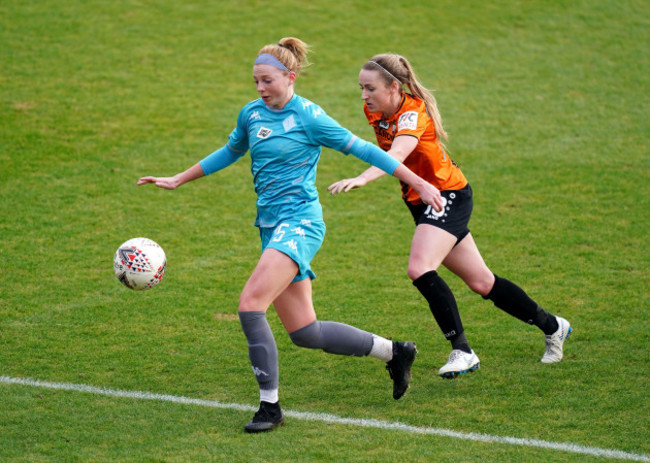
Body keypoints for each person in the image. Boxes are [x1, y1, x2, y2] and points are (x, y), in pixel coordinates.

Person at [138, 39, 444, 433]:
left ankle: (270, 407)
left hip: (300, 223)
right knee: (305, 332)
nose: (260, 88)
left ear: (290, 77)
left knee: (250, 305)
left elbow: (368, 151)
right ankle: (395, 351)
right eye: (255, 82)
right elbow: (230, 151)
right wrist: (179, 178)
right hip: (270, 227)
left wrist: (420, 181)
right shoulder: (251, 114)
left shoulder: (310, 117)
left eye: (267, 80)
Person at [328, 54, 572, 379]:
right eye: (361, 88)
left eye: (370, 88)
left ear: (394, 87)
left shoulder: (412, 114)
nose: (363, 95)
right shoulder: (375, 110)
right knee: (482, 282)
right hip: (420, 201)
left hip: (447, 196)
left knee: (419, 268)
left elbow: (396, 154)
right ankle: (554, 326)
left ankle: (463, 351)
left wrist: (362, 178)